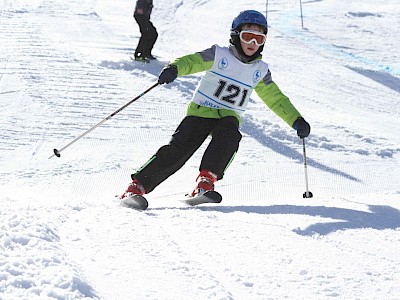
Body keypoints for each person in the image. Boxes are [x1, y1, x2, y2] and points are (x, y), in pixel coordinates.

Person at [121, 10, 311, 200]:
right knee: (179, 150)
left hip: (228, 115)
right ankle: (137, 186)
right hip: (201, 111)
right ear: (236, 36)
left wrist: (296, 120)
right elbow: (192, 61)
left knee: (230, 136)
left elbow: (276, 99)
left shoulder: (260, 71)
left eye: (259, 39)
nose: (253, 44)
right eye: (248, 37)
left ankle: (206, 181)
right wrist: (175, 68)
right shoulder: (219, 55)